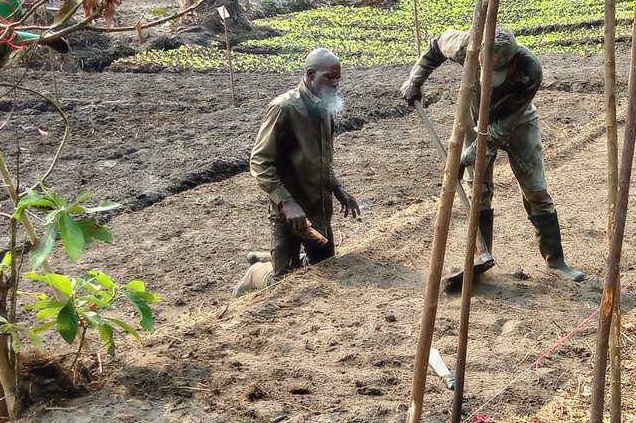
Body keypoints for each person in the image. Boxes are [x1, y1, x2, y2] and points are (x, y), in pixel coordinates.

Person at [400, 27, 584, 286]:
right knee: (478, 190)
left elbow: (497, 132)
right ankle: (480, 255)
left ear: (512, 63)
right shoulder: (467, 44)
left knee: (536, 189)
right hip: (475, 119)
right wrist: (415, 79)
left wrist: (464, 159)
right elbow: (437, 45)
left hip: (517, 123)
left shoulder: (530, 70)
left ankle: (555, 261)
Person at [248, 47, 360, 279]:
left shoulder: (324, 108)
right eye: (329, 77)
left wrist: (338, 190)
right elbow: (260, 161)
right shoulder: (284, 108)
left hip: (318, 211)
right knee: (283, 281)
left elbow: (321, 160)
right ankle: (256, 273)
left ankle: (267, 259)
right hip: (289, 215)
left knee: (326, 269)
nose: (335, 84)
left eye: (338, 78)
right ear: (310, 74)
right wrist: (287, 202)